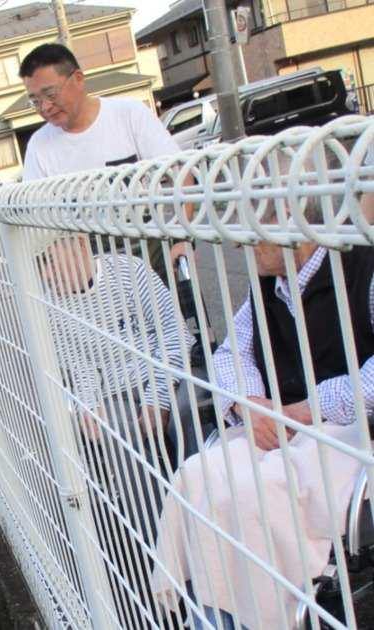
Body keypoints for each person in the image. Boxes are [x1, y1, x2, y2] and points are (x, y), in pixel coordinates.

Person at [151, 190, 374, 629]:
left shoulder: (362, 269)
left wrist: (310, 409)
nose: (238, 244)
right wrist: (250, 404)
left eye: (250, 229)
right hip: (281, 424)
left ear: (289, 219)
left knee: (254, 495)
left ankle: (272, 617)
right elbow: (230, 353)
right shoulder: (270, 285)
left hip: (353, 432)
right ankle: (215, 617)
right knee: (195, 478)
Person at [34, 230, 193, 627]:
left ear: (81, 244)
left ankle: (204, 523)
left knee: (188, 417)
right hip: (114, 391)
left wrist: (157, 398)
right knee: (120, 438)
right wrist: (89, 407)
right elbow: (79, 366)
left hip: (164, 373)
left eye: (51, 260)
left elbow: (173, 336)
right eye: (41, 266)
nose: (48, 275)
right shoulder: (52, 306)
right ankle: (162, 553)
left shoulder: (131, 273)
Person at [19, 43, 192, 282]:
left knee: (177, 318)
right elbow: (34, 219)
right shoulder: (39, 146)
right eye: (35, 101)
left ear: (78, 79)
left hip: (153, 251)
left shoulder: (128, 114)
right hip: (90, 271)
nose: (45, 107)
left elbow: (181, 174)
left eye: (50, 95)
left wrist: (183, 239)